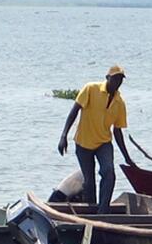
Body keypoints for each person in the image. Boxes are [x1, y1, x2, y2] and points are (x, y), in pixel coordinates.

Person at [57, 65, 136, 214]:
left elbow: (117, 131)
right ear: (107, 78)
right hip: (83, 143)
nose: (117, 82)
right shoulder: (91, 89)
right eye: (115, 78)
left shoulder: (120, 103)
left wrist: (127, 157)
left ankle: (102, 213)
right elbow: (74, 110)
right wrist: (63, 136)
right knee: (89, 182)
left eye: (120, 79)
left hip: (103, 143)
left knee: (109, 173)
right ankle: (91, 213)